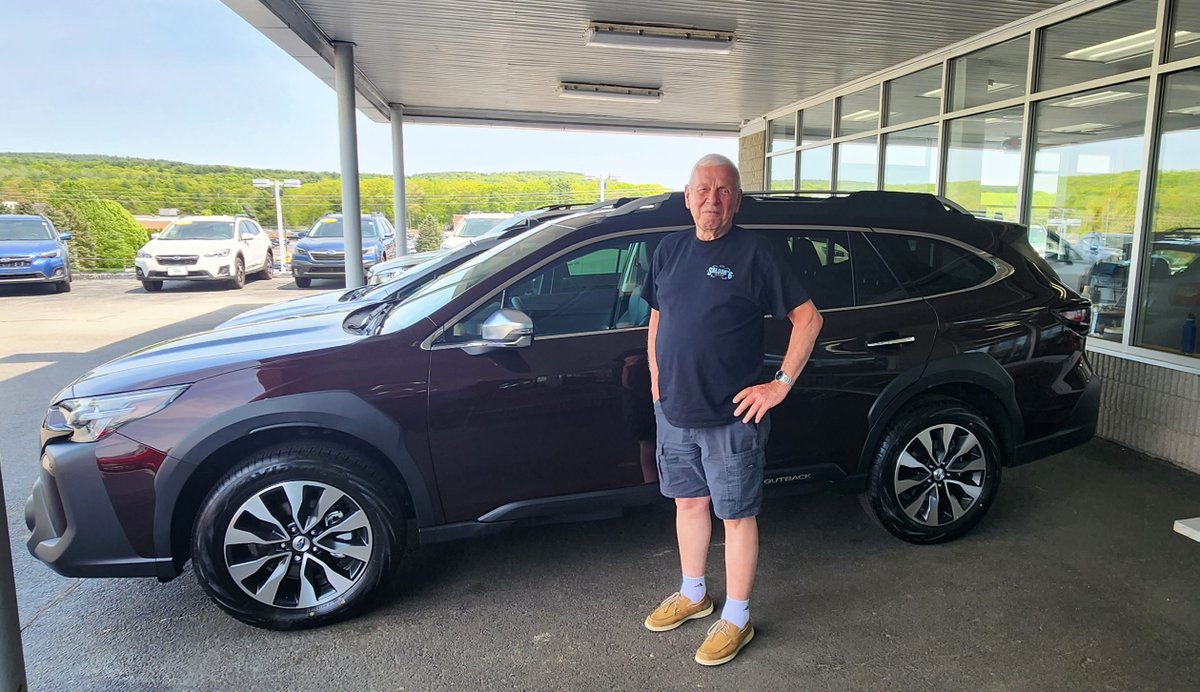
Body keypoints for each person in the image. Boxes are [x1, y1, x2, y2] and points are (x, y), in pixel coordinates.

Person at [640, 154, 823, 666]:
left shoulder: (755, 255)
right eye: (703, 189)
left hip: (732, 418)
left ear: (737, 200)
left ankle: (737, 618)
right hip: (674, 412)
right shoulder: (669, 250)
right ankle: (694, 593)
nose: (712, 200)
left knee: (736, 517)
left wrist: (778, 385)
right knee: (688, 505)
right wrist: (658, 384)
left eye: (723, 191)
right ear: (687, 196)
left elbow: (809, 319)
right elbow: (657, 318)